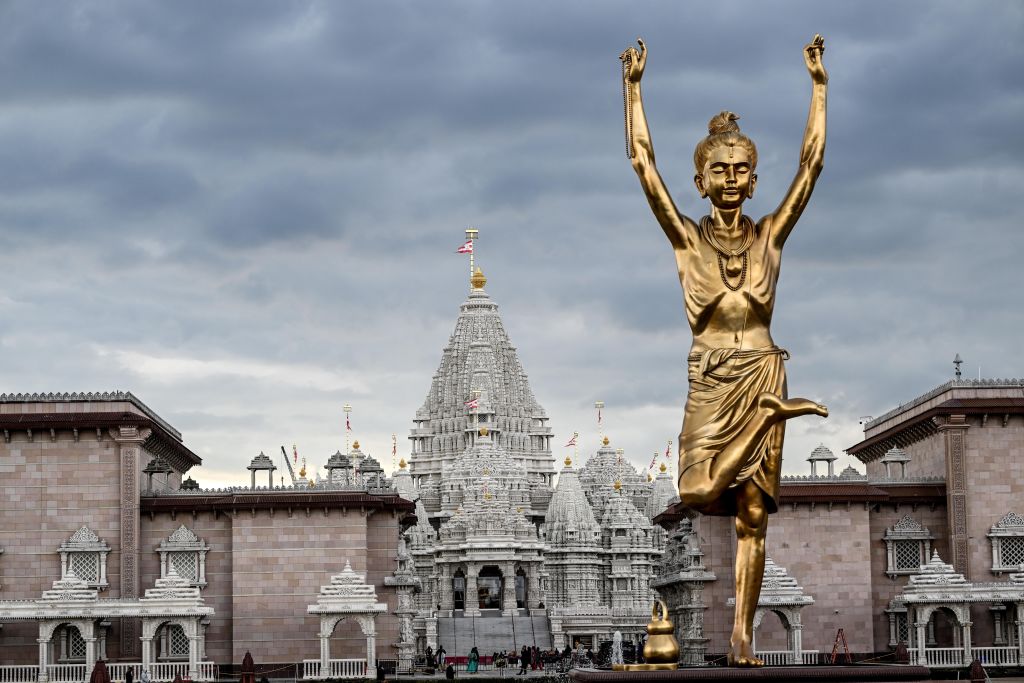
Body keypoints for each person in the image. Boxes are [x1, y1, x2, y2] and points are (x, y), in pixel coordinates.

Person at [621, 34, 830, 667]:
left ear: (754, 176)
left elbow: (812, 165)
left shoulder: (771, 237)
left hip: (763, 365)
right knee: (694, 490)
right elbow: (642, 165)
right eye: (720, 170)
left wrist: (819, 87)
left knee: (751, 515)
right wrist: (632, 89)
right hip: (713, 379)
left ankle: (742, 638)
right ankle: (774, 413)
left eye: (742, 170)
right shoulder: (687, 241)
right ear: (701, 180)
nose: (732, 180)